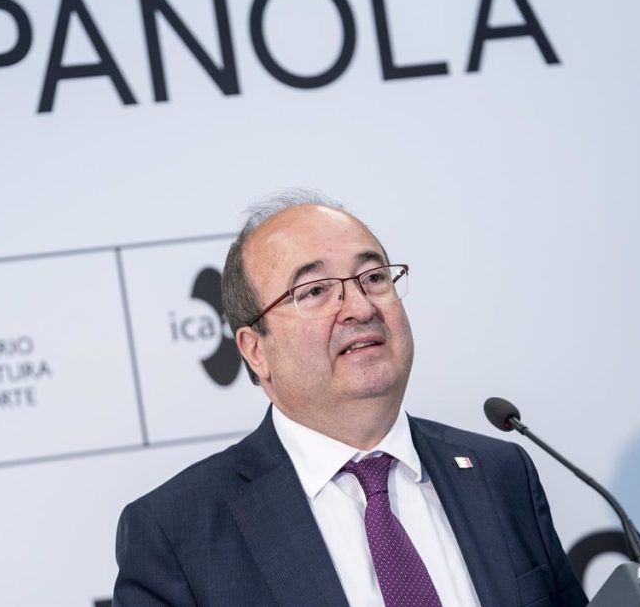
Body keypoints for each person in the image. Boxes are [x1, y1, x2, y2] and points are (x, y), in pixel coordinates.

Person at [113, 190, 587, 607]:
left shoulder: (500, 473)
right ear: (255, 350)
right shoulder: (177, 533)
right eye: (315, 291)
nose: (360, 308)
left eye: (374, 277)